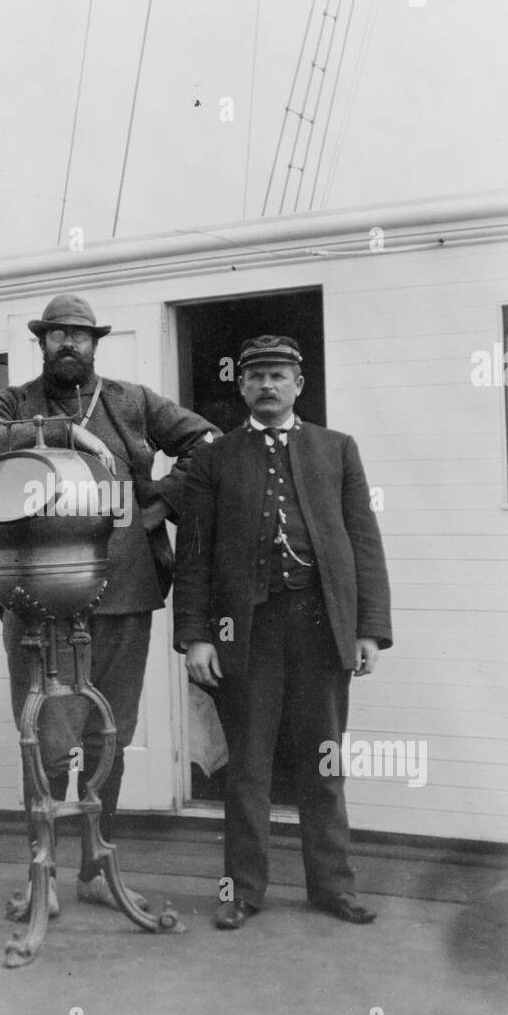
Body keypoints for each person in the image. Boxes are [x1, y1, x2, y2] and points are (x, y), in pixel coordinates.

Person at [0, 292, 218, 913]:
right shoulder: (15, 401)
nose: (68, 344)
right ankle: (40, 875)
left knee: (110, 737)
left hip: (124, 594)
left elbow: (207, 443)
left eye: (79, 335)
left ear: (95, 344)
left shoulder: (132, 401)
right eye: (57, 335)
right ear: (42, 342)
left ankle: (95, 870)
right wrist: (59, 430)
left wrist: (160, 500)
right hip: (38, 601)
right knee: (44, 742)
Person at [172, 334, 393, 930]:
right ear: (241, 386)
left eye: (279, 375)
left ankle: (333, 888)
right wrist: (196, 636)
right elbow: (193, 554)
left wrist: (367, 629)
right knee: (248, 765)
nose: (267, 385)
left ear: (299, 384)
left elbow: (363, 543)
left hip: (323, 629)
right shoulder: (212, 460)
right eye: (256, 376)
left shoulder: (337, 449)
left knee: (324, 761)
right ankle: (243, 891)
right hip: (246, 632)